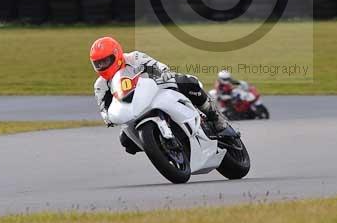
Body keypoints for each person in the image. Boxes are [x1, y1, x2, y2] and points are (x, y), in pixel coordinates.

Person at [90, 37, 232, 146]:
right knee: (126, 142)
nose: (102, 66)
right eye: (98, 63)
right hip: (133, 109)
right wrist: (108, 118)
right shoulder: (101, 85)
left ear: (116, 54)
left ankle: (217, 119)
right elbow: (104, 108)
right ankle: (160, 146)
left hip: (156, 89)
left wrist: (163, 72)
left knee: (189, 83)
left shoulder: (134, 58)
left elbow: (156, 66)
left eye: (105, 61)